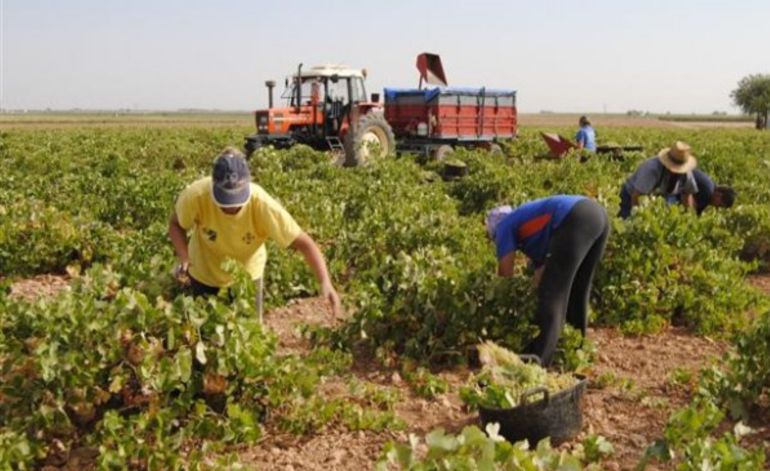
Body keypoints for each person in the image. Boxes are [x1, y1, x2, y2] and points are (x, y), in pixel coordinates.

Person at [168, 147, 341, 318]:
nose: (231, 207)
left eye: (236, 200)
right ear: (213, 186)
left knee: (249, 336)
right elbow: (176, 224)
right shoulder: (197, 195)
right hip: (204, 273)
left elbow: (304, 243)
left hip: (247, 278)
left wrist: (325, 281)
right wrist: (184, 257)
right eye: (225, 200)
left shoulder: (262, 205)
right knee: (204, 335)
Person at [486, 195, 610, 366]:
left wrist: (501, 308)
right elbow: (542, 273)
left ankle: (539, 361)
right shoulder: (531, 232)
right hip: (596, 215)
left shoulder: (504, 226)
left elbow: (505, 276)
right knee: (577, 290)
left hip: (575, 218)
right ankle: (574, 353)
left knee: (552, 295)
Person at [618, 141, 698, 219]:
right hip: (631, 197)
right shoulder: (652, 169)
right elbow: (636, 196)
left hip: (661, 196)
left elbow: (687, 195)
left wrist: (688, 217)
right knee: (628, 223)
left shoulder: (686, 172)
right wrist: (638, 219)